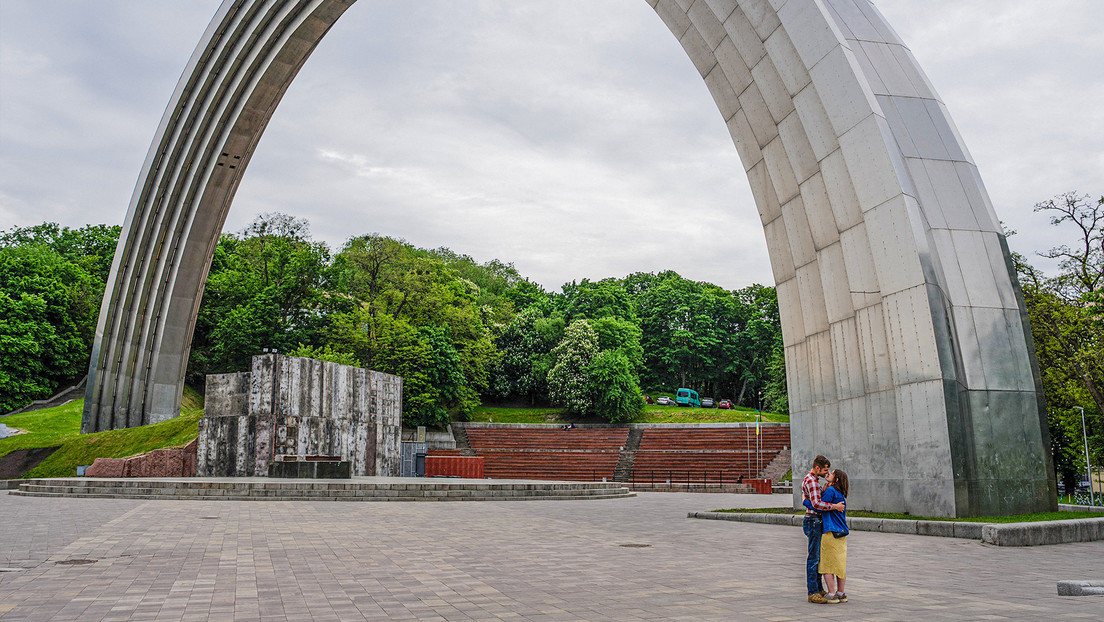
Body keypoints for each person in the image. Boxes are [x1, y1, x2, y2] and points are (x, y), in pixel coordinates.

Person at [802, 455, 844, 604]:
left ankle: (818, 589)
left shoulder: (814, 480)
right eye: (825, 470)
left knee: (817, 557)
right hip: (813, 521)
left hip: (815, 520)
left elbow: (812, 502)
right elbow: (818, 504)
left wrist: (805, 501)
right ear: (817, 468)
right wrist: (835, 506)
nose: (827, 474)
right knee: (813, 558)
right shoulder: (812, 481)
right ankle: (812, 592)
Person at [817, 469, 849, 603]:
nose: (828, 473)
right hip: (841, 532)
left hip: (830, 532)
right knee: (840, 565)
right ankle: (841, 593)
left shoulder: (831, 491)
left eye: (832, 473)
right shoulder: (840, 493)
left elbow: (819, 506)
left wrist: (822, 493)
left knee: (827, 564)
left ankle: (831, 593)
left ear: (836, 479)